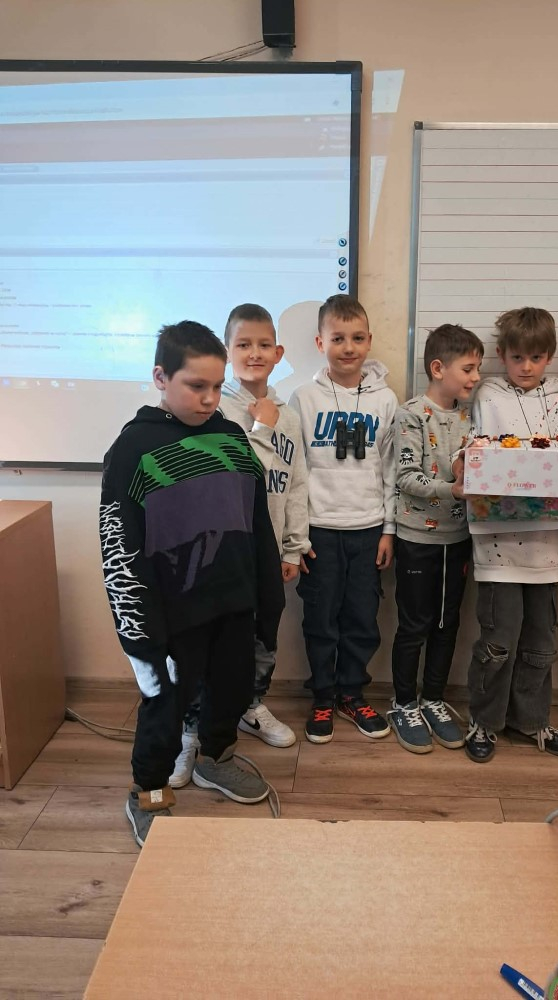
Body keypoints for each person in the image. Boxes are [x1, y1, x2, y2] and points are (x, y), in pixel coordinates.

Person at [99, 320, 284, 847]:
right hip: (171, 615)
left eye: (216, 386)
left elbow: (257, 523)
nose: (208, 399)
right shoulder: (133, 450)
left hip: (233, 601)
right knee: (166, 708)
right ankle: (149, 792)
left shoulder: (232, 437)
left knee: (231, 689)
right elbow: (118, 547)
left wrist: (268, 597)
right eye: (195, 386)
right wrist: (139, 633)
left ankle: (216, 759)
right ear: (161, 377)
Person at [458, 307, 558, 763]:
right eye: (516, 358)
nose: (526, 367)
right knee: (497, 644)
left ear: (549, 356)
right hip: (497, 547)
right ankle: (485, 722)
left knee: (540, 645)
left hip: (548, 548)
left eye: (536, 357)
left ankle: (531, 721)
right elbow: (474, 453)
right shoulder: (486, 395)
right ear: (501, 355)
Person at [289, 294, 397, 743]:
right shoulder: (303, 398)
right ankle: (322, 697)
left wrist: (389, 530)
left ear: (369, 340)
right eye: (337, 338)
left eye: (356, 338)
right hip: (319, 532)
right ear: (320, 343)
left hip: (368, 530)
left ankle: (352, 693)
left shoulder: (385, 399)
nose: (348, 347)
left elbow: (390, 469)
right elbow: (295, 472)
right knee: (320, 620)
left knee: (362, 619)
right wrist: (296, 538)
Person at [389, 324, 483, 753]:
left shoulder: (470, 417)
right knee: (414, 626)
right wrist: (453, 490)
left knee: (447, 624)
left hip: (458, 539)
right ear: (438, 368)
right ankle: (403, 703)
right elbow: (407, 477)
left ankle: (433, 699)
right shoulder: (410, 414)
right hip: (417, 541)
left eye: (478, 368)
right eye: (469, 368)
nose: (476, 377)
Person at [219, 303, 310, 750]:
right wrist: (260, 426)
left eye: (263, 345)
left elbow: (295, 483)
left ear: (278, 353)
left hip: (269, 552)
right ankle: (204, 721)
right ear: (227, 352)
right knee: (221, 639)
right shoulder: (216, 411)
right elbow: (237, 479)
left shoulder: (288, 416)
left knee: (264, 635)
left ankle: (252, 705)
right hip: (225, 555)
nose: (253, 353)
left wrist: (293, 547)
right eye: (243, 344)